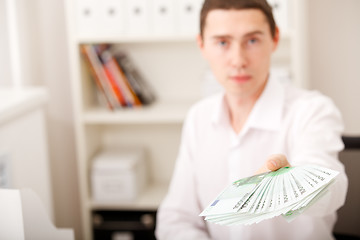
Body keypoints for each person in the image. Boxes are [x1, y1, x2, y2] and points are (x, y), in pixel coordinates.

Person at [155, 0, 348, 239]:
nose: (238, 60)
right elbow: (176, 219)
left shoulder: (312, 110)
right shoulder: (199, 117)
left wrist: (292, 184)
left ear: (274, 39)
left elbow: (333, 189)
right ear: (202, 45)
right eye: (222, 42)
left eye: (253, 40)